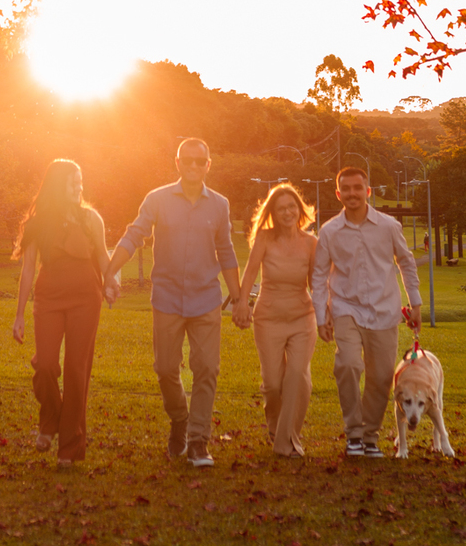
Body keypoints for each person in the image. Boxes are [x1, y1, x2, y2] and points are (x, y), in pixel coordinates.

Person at [105, 138, 240, 469]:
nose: (194, 166)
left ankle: (198, 440)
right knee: (165, 369)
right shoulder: (158, 199)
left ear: (209, 165)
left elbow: (226, 250)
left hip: (206, 298)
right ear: (177, 163)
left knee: (207, 368)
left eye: (200, 161)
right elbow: (134, 235)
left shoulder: (219, 205)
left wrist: (238, 298)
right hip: (166, 298)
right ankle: (179, 418)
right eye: (187, 160)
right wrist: (109, 272)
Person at [312, 165, 422, 458]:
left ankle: (370, 436)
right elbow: (319, 275)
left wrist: (416, 303)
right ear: (338, 194)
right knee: (348, 364)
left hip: (384, 310)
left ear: (368, 191)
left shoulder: (388, 226)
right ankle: (354, 435)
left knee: (382, 376)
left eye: (357, 188)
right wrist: (321, 317)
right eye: (345, 189)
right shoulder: (330, 231)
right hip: (346, 308)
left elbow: (406, 263)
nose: (352, 194)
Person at [12, 159, 115, 466]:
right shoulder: (38, 223)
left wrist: (110, 283)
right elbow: (28, 270)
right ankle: (51, 418)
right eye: (73, 181)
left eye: (81, 181)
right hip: (49, 298)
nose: (79, 187)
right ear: (58, 185)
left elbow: (103, 256)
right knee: (45, 365)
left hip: (86, 298)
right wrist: (19, 315)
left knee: (76, 371)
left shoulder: (91, 219)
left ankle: (69, 448)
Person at [232, 184, 317, 458]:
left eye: (291, 206)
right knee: (273, 383)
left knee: (297, 376)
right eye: (281, 208)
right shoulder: (265, 239)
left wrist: (327, 312)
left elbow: (316, 284)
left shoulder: (310, 243)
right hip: (268, 317)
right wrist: (242, 302)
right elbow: (250, 272)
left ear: (299, 209)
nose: (287, 212)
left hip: (302, 317)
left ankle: (287, 441)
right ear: (273, 212)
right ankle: (276, 428)